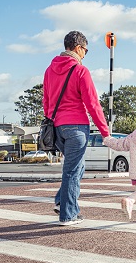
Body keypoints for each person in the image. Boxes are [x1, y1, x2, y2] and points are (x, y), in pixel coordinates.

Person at [43, 30, 109, 226]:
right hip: (77, 127)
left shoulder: (49, 70)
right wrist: (105, 132)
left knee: (77, 167)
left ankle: (62, 201)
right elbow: (93, 104)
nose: (85, 55)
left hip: (56, 128)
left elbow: (46, 102)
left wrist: (53, 119)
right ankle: (68, 214)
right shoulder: (81, 71)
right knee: (73, 170)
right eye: (85, 51)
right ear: (78, 47)